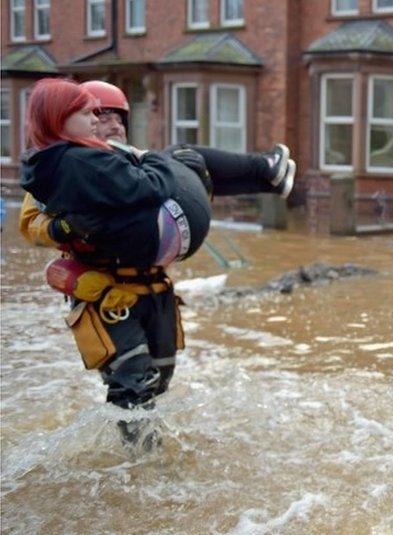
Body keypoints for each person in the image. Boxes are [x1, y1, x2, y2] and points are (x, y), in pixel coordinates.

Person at [18, 78, 293, 447]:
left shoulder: (129, 158)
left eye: (118, 118)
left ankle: (148, 456)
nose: (111, 124)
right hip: (106, 293)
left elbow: (164, 203)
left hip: (153, 286)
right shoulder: (67, 166)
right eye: (99, 115)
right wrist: (62, 227)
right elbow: (31, 224)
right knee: (132, 379)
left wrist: (198, 184)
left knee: (160, 381)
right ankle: (134, 471)